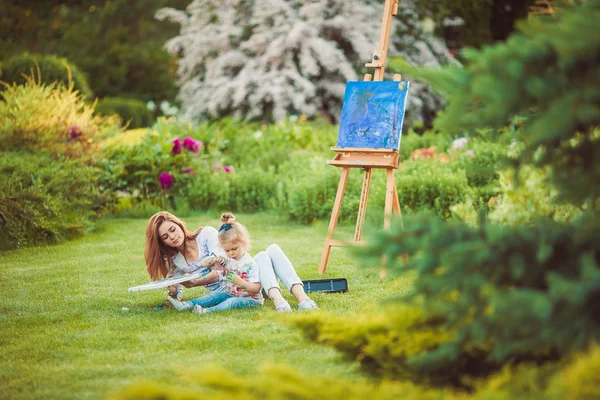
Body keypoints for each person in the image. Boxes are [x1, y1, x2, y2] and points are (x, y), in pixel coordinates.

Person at [144, 211, 318, 312]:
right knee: (264, 255)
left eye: (173, 230)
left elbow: (224, 265)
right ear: (162, 242)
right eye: (165, 237)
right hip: (232, 291)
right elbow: (177, 293)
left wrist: (197, 282)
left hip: (248, 283)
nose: (172, 237)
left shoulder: (206, 234)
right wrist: (173, 291)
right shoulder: (176, 261)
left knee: (270, 251)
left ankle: (301, 300)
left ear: (179, 225)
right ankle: (282, 301)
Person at [167, 213, 264, 314]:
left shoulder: (250, 264)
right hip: (231, 293)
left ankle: (207, 311)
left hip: (250, 299)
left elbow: (256, 289)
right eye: (227, 250)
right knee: (215, 295)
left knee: (231, 302)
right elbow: (204, 263)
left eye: (234, 249)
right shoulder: (228, 259)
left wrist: (240, 282)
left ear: (244, 243)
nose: (230, 253)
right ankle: (187, 305)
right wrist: (214, 260)